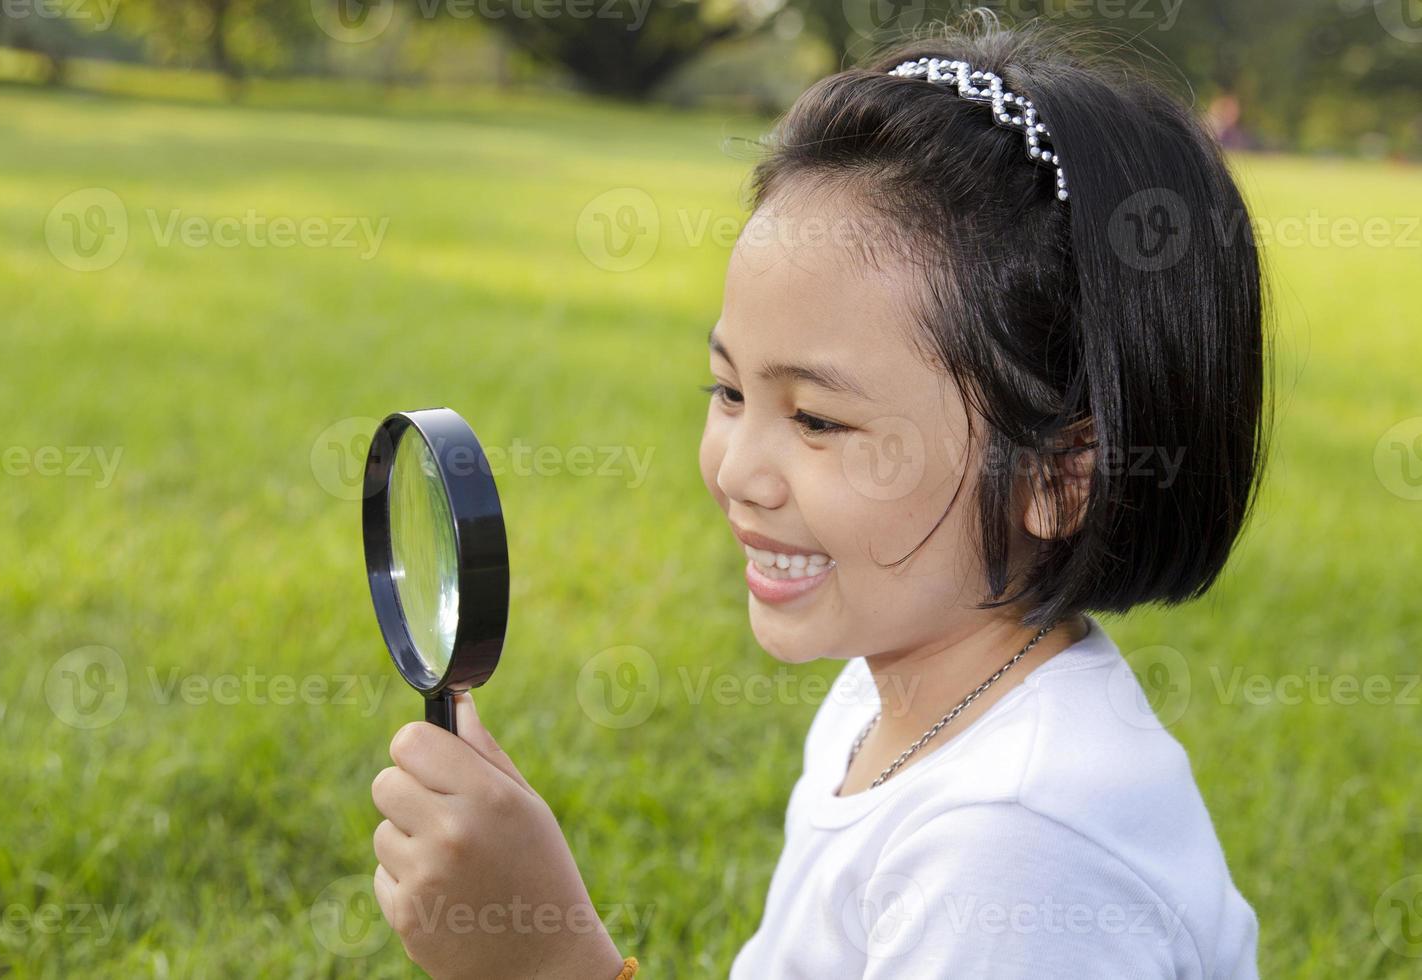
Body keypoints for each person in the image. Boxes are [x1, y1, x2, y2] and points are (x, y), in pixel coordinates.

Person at [369, 12, 1271, 977]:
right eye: (729, 392)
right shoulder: (889, 693)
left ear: (1056, 477)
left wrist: (550, 963)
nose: (736, 470)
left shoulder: (1012, 849)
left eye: (818, 422)